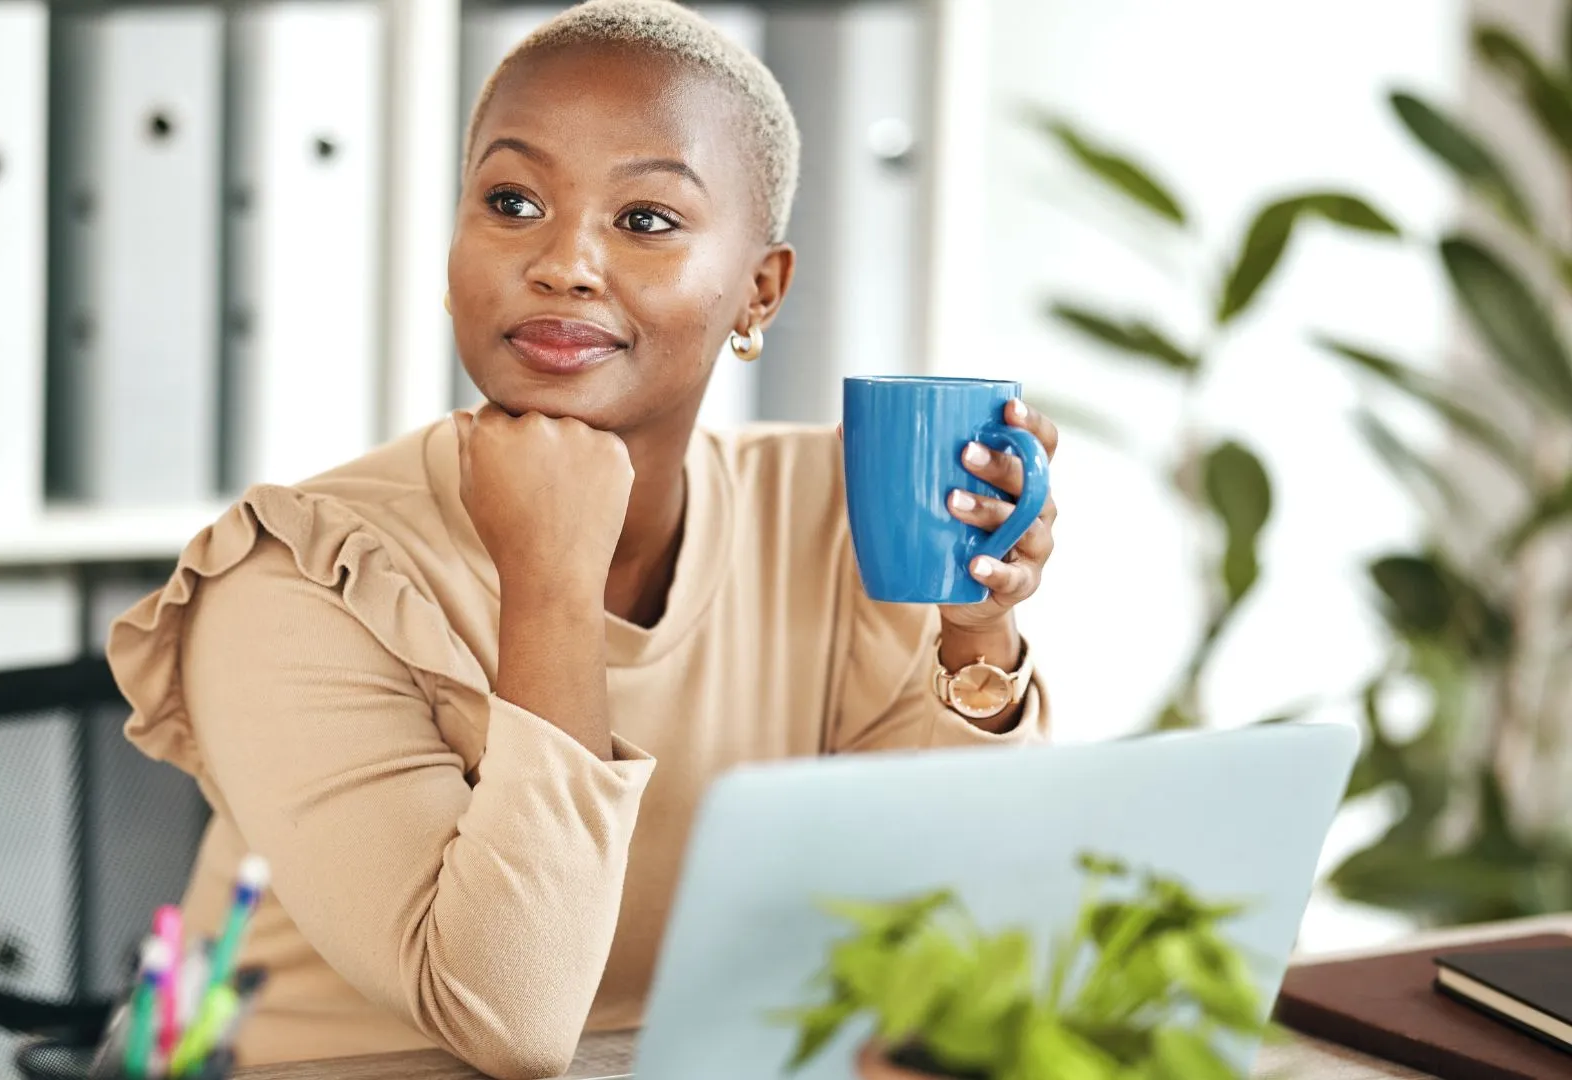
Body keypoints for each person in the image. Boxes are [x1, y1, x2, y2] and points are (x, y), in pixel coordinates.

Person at [106, 1, 1060, 1075]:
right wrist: (551, 581)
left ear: (761, 288)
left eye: (646, 219)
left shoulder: (830, 510)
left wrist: (978, 634)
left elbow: (935, 933)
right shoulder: (292, 576)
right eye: (512, 202)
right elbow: (503, 1019)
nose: (564, 263)